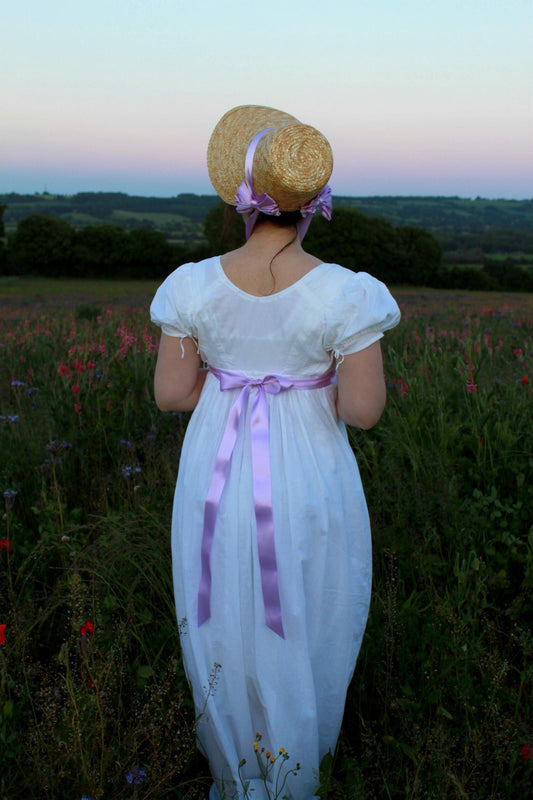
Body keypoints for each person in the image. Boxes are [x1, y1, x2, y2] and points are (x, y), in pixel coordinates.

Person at [150, 104, 401, 799]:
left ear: (241, 197)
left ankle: (237, 767)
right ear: (311, 204)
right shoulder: (346, 295)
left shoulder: (191, 285)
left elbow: (172, 395)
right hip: (307, 473)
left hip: (216, 472)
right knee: (307, 607)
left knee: (222, 606)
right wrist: (293, 387)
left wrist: (234, 381)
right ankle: (295, 766)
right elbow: (362, 410)